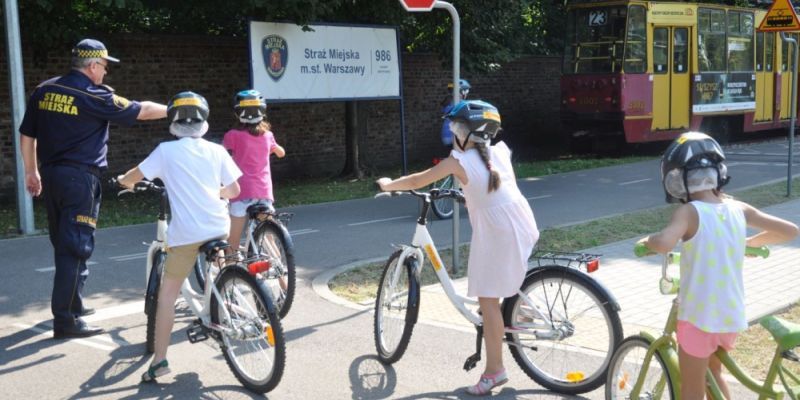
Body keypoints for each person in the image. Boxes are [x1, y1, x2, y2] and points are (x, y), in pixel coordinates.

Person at [377, 100, 539, 396]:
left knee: (488, 301)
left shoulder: (457, 161)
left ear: (465, 133)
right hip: (522, 223)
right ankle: (517, 312)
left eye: (454, 128)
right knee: (498, 288)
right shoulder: (501, 152)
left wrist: (388, 185)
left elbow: (418, 180)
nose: (452, 134)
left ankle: (494, 371)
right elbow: (491, 190)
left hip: (498, 233)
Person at [18, 38, 167, 339]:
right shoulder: (93, 95)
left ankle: (74, 304)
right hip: (80, 181)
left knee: (63, 243)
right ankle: (67, 320)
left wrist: (31, 171)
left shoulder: (44, 90)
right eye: (104, 67)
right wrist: (177, 108)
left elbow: (26, 134)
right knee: (75, 248)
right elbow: (141, 111)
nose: (105, 74)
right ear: (92, 65)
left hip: (53, 177)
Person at [637, 132, 798, 399]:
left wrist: (648, 241)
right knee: (714, 376)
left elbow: (665, 243)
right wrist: (749, 242)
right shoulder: (738, 209)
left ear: (676, 179)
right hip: (730, 317)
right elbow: (789, 231)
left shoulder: (688, 212)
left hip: (699, 317)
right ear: (718, 172)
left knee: (691, 388)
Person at [116, 91, 242, 382]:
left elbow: (135, 176)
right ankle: (222, 305)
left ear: (172, 122)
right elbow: (234, 191)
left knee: (167, 296)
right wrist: (214, 193)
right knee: (217, 270)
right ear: (204, 122)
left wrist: (123, 180)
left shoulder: (165, 152)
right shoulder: (216, 150)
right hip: (218, 225)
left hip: (187, 235)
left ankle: (160, 361)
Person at [223, 89, 285, 258]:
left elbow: (222, 156)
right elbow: (281, 152)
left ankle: (230, 276)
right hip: (263, 192)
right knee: (269, 237)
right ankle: (283, 278)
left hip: (241, 192)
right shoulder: (268, 135)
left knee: (232, 242)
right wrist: (271, 149)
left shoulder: (232, 135)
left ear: (238, 113)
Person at [440, 79, 471, 149]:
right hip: (454, 137)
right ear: (461, 91)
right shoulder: (458, 104)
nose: (467, 93)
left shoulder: (450, 102)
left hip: (448, 137)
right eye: (466, 91)